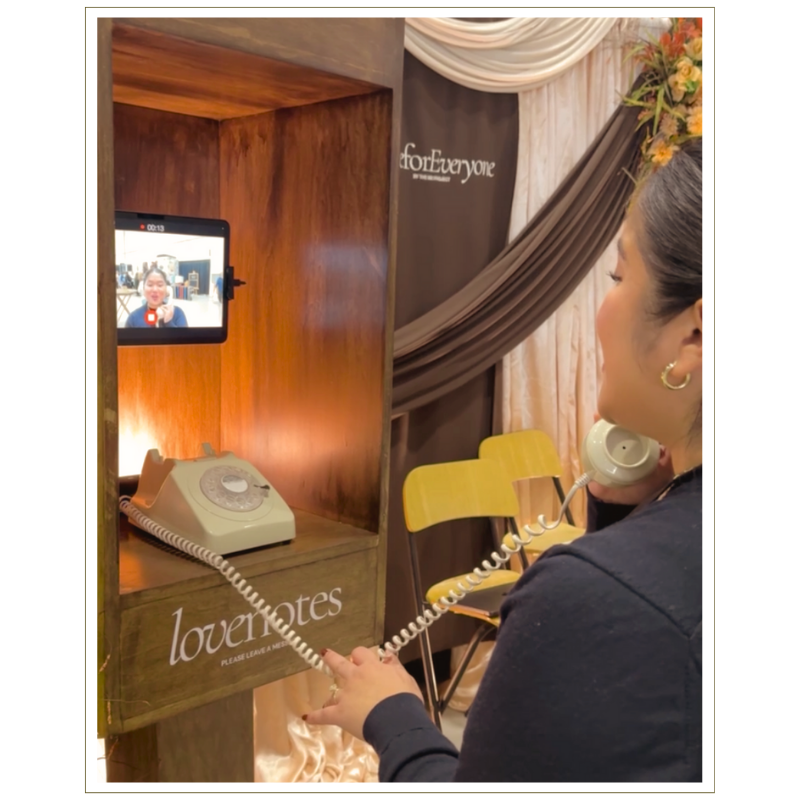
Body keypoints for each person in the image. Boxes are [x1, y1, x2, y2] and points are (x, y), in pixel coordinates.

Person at [303, 137, 713, 785]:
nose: (603, 308)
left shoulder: (586, 597)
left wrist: (395, 715)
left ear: (697, 334)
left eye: (618, 276)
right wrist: (617, 514)